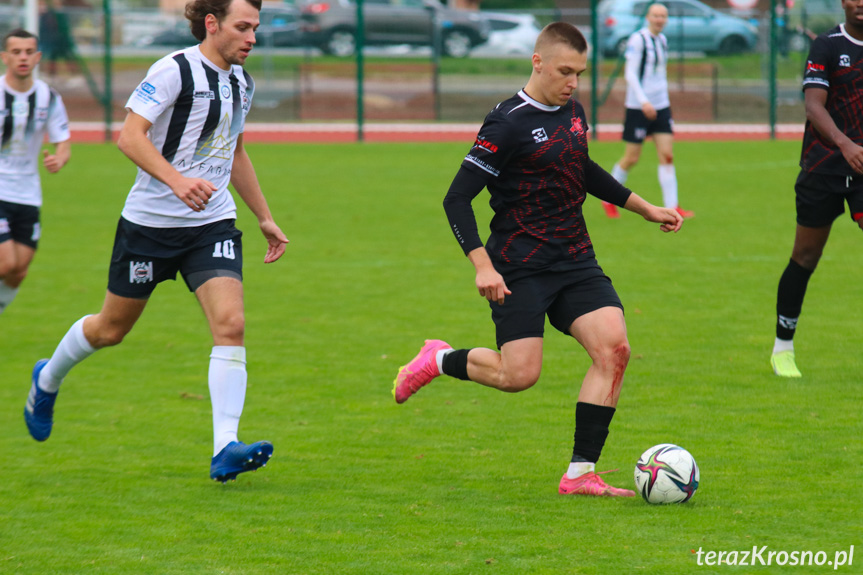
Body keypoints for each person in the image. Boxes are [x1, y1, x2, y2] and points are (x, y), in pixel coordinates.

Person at [392, 22, 683, 497]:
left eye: (580, 73)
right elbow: (456, 199)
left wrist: (643, 207)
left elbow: (581, 168)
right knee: (518, 376)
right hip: (518, 263)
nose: (572, 83)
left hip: (575, 258)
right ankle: (438, 358)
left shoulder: (574, 111)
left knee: (615, 350)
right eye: (565, 71)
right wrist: (482, 265)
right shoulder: (506, 123)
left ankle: (580, 474)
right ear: (538, 62)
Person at [23, 0, 290, 483]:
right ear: (212, 25)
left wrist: (265, 217)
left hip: (211, 224)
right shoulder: (173, 71)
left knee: (231, 324)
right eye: (243, 27)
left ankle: (225, 448)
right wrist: (176, 181)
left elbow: (235, 152)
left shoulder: (241, 82)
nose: (253, 38)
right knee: (110, 329)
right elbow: (130, 137)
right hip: (149, 226)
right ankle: (48, 378)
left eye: (256, 28)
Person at [770, 0, 863, 378]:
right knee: (805, 257)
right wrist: (845, 144)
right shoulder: (826, 45)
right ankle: (782, 348)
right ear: (843, 2)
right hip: (822, 169)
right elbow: (813, 105)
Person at [0, 29, 71, 316]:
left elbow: (62, 141)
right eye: (16, 52)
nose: (23, 58)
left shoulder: (48, 97)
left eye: (29, 52)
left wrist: (59, 159)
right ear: (5, 57)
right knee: (5, 264)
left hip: (29, 195)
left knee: (18, 271)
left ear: (38, 57)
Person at [602, 3, 694, 220]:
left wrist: (662, 101)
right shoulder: (638, 40)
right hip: (638, 107)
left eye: (663, 16)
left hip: (661, 107)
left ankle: (673, 206)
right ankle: (608, 198)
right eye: (656, 15)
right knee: (631, 157)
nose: (659, 19)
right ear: (648, 17)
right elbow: (631, 74)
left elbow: (659, 75)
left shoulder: (662, 40)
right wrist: (644, 101)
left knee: (667, 156)